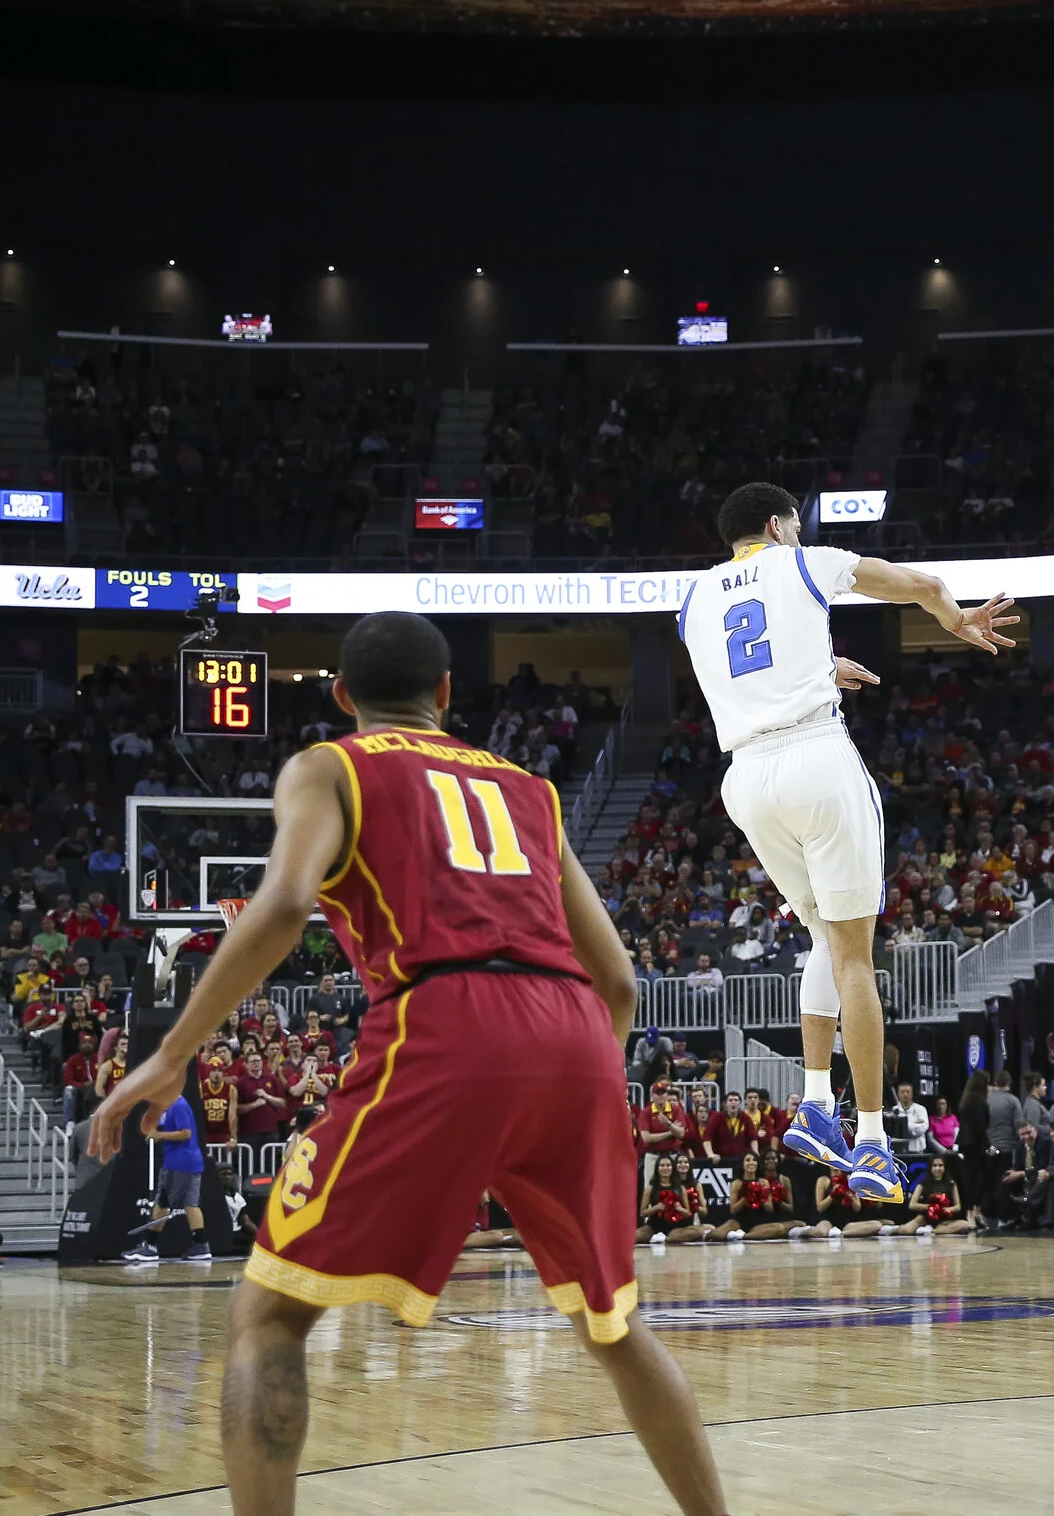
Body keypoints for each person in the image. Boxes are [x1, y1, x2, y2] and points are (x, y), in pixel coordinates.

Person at [86, 611, 726, 1516]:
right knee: (612, 1323)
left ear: (342, 697)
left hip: (448, 1016)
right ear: (448, 694)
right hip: (577, 1033)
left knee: (269, 1314)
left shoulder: (331, 766)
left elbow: (280, 908)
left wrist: (170, 1054)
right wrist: (563, 1085)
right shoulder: (529, 789)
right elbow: (618, 979)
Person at [675, 482, 1017, 1203]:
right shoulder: (806, 560)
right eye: (795, 528)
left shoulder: (695, 599)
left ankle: (814, 1104)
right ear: (777, 525)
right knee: (856, 954)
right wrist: (953, 619)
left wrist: (817, 666)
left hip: (746, 780)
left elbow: (746, 664)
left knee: (823, 941)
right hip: (815, 759)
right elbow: (920, 584)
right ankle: (870, 1141)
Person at [123, 1087, 211, 1264]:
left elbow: (186, 1133)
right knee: (190, 1204)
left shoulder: (178, 1105)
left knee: (162, 1202)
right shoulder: (172, 1106)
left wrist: (159, 1135)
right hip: (190, 1161)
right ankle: (201, 1246)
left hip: (178, 1162)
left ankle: (150, 1246)